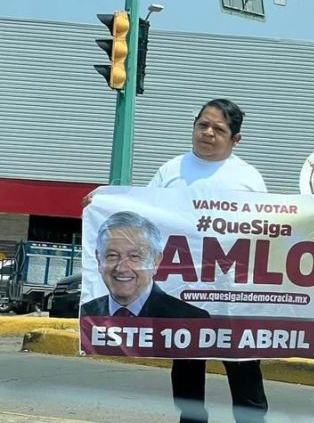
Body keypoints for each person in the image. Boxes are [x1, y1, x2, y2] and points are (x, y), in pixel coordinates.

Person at [85, 98, 269, 423]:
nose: (208, 133)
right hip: (183, 290)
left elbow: (268, 230)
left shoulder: (248, 178)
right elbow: (142, 216)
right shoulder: (171, 171)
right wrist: (105, 203)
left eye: (218, 129)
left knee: (242, 363)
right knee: (186, 362)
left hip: (232, 293)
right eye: (203, 125)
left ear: (235, 139)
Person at [80, 211, 209, 319]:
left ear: (156, 261)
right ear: (98, 259)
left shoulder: (191, 318)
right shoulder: (81, 314)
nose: (122, 268)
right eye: (112, 256)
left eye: (134, 257)